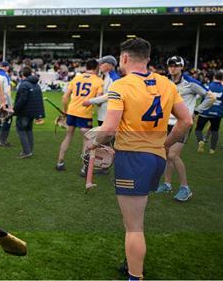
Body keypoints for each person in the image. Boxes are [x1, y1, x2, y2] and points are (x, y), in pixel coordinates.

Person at [86, 38, 192, 280]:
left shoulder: (121, 86)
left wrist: (94, 142)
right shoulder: (166, 83)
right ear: (147, 58)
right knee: (133, 221)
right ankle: (130, 262)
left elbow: (109, 128)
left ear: (124, 58)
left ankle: (135, 275)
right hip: (155, 158)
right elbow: (186, 121)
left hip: (133, 158)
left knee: (134, 226)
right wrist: (164, 144)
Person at [155, 56, 213, 201]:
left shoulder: (191, 83)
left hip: (182, 124)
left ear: (182, 67)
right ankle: (167, 184)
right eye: (170, 65)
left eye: (176, 65)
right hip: (166, 122)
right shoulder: (166, 81)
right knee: (166, 153)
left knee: (173, 155)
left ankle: (185, 188)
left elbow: (210, 97)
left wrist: (196, 111)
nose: (172, 68)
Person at [56, 59, 103, 173]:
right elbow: (99, 100)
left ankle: (60, 162)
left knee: (68, 137)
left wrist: (64, 111)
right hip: (85, 114)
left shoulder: (76, 78)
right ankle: (84, 168)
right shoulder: (99, 81)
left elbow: (65, 97)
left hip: (72, 112)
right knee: (87, 141)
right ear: (96, 68)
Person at [13, 66, 45, 158]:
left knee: (21, 130)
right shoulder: (36, 84)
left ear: (22, 74)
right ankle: (29, 150)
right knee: (29, 130)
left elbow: (21, 100)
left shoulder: (24, 85)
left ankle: (26, 151)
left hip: (25, 112)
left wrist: (15, 110)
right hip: (33, 111)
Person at [82, 55, 121, 126]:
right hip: (103, 113)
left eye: (102, 63)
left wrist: (90, 101)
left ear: (109, 66)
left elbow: (109, 95)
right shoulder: (106, 77)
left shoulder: (114, 78)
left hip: (108, 114)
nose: (99, 65)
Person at [195, 70, 223, 154]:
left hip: (205, 112)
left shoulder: (207, 86)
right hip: (217, 113)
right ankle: (212, 149)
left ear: (214, 77)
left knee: (198, 129)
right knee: (215, 131)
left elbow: (197, 96)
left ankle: (200, 140)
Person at [0, 61, 13, 146]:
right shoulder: (5, 76)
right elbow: (7, 92)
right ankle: (2, 140)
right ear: (7, 67)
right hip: (2, 101)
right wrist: (10, 105)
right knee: (7, 120)